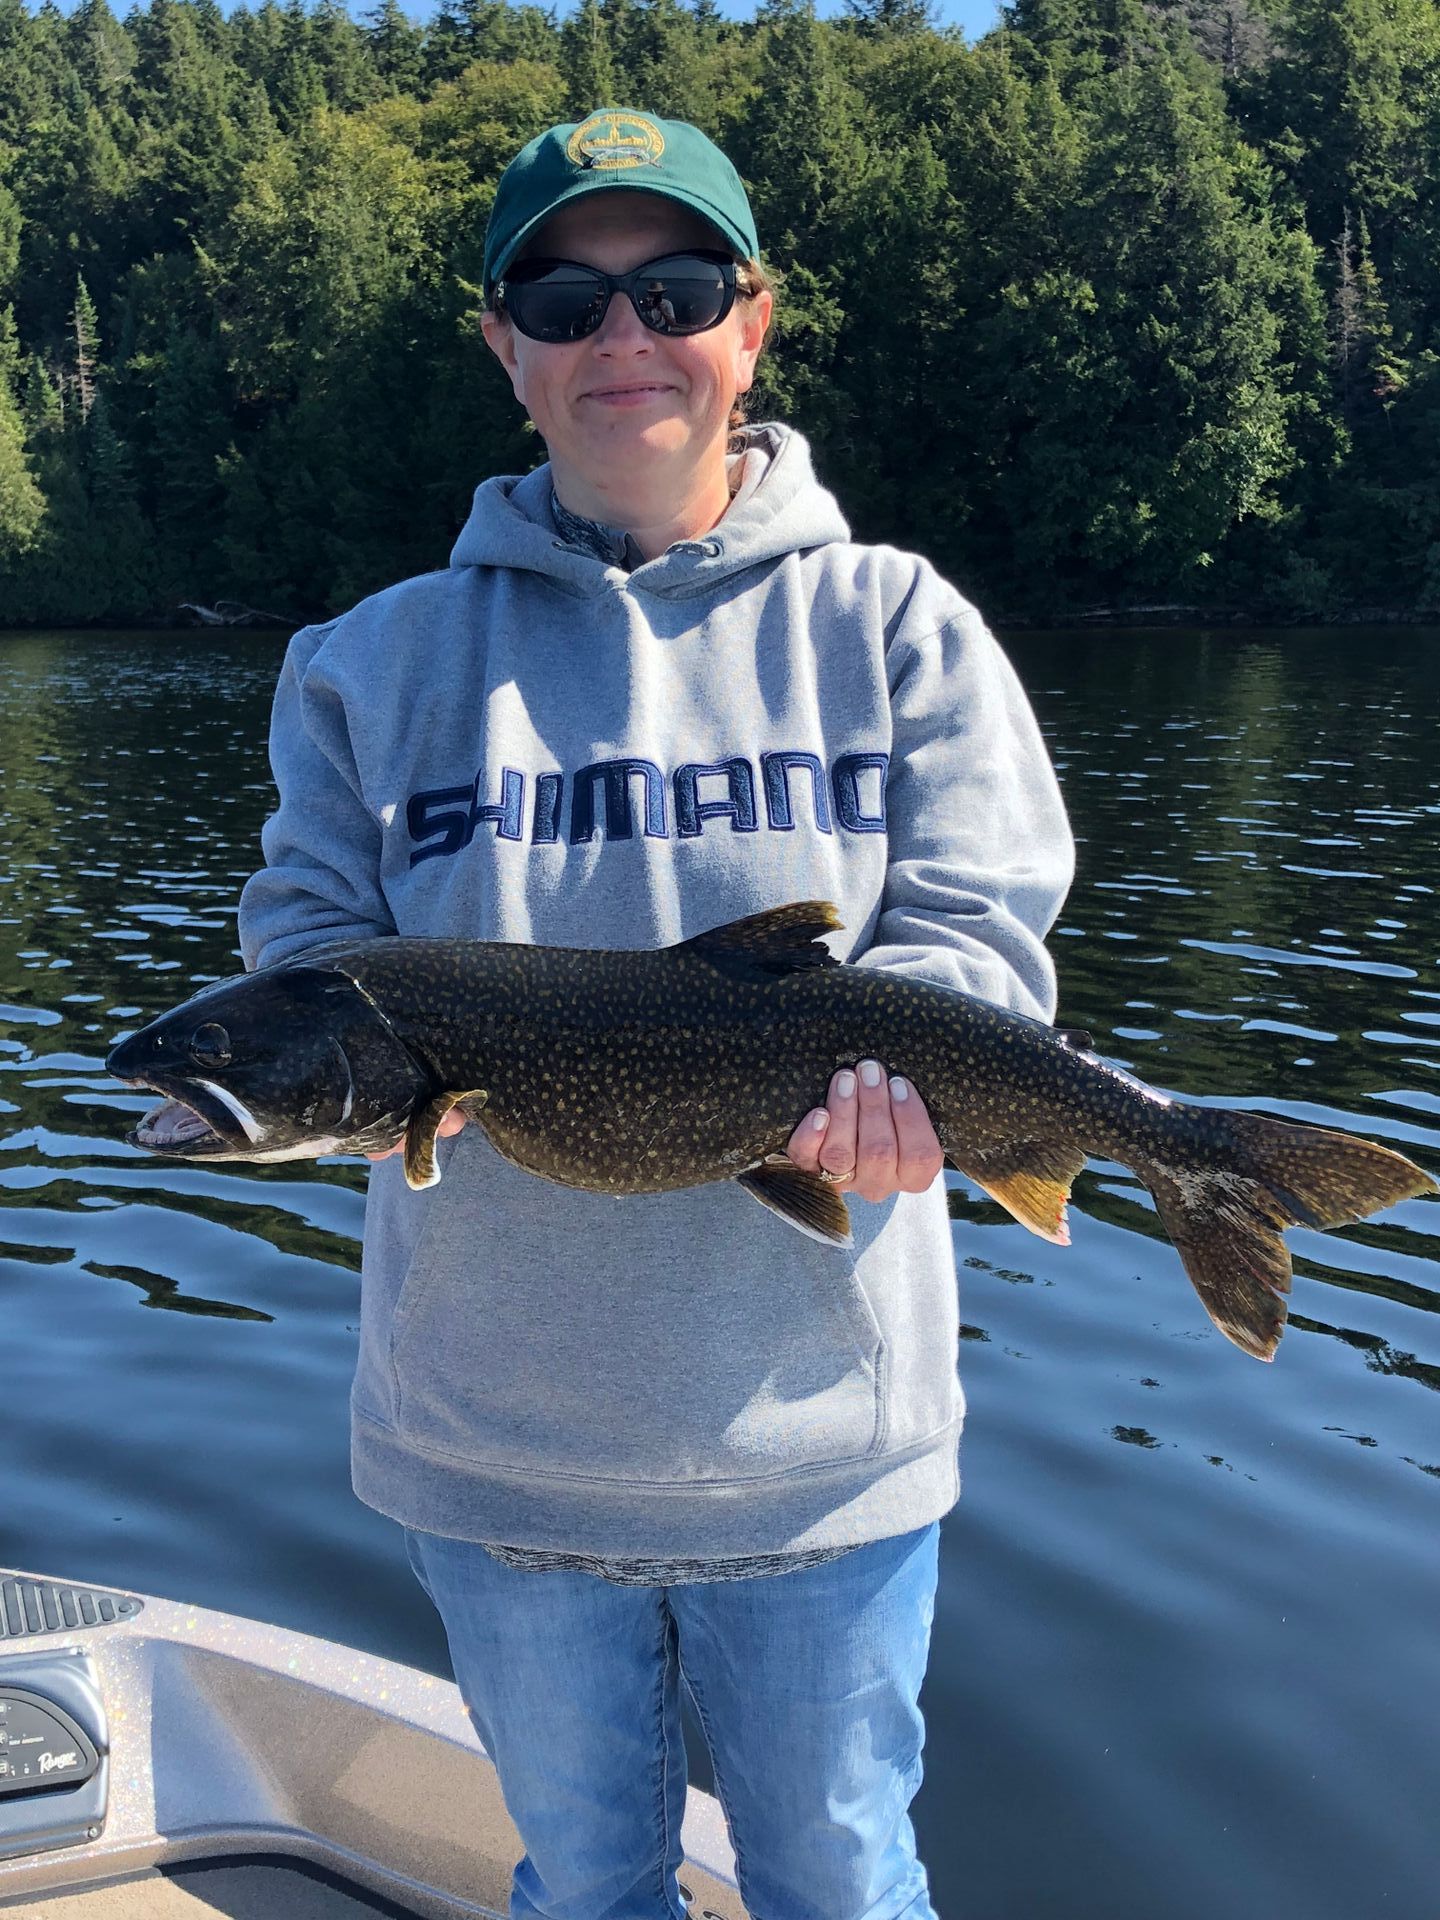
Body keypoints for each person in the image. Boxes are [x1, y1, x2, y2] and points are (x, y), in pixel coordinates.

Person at [237, 107, 1074, 1920]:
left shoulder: (898, 625)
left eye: (673, 288)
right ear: (503, 350)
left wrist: (910, 1080)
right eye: (564, 297)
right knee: (588, 1887)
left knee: (845, 1886)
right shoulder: (368, 660)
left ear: (751, 323)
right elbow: (306, 936)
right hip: (493, 1444)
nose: (622, 338)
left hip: (820, 1457)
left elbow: (981, 937)